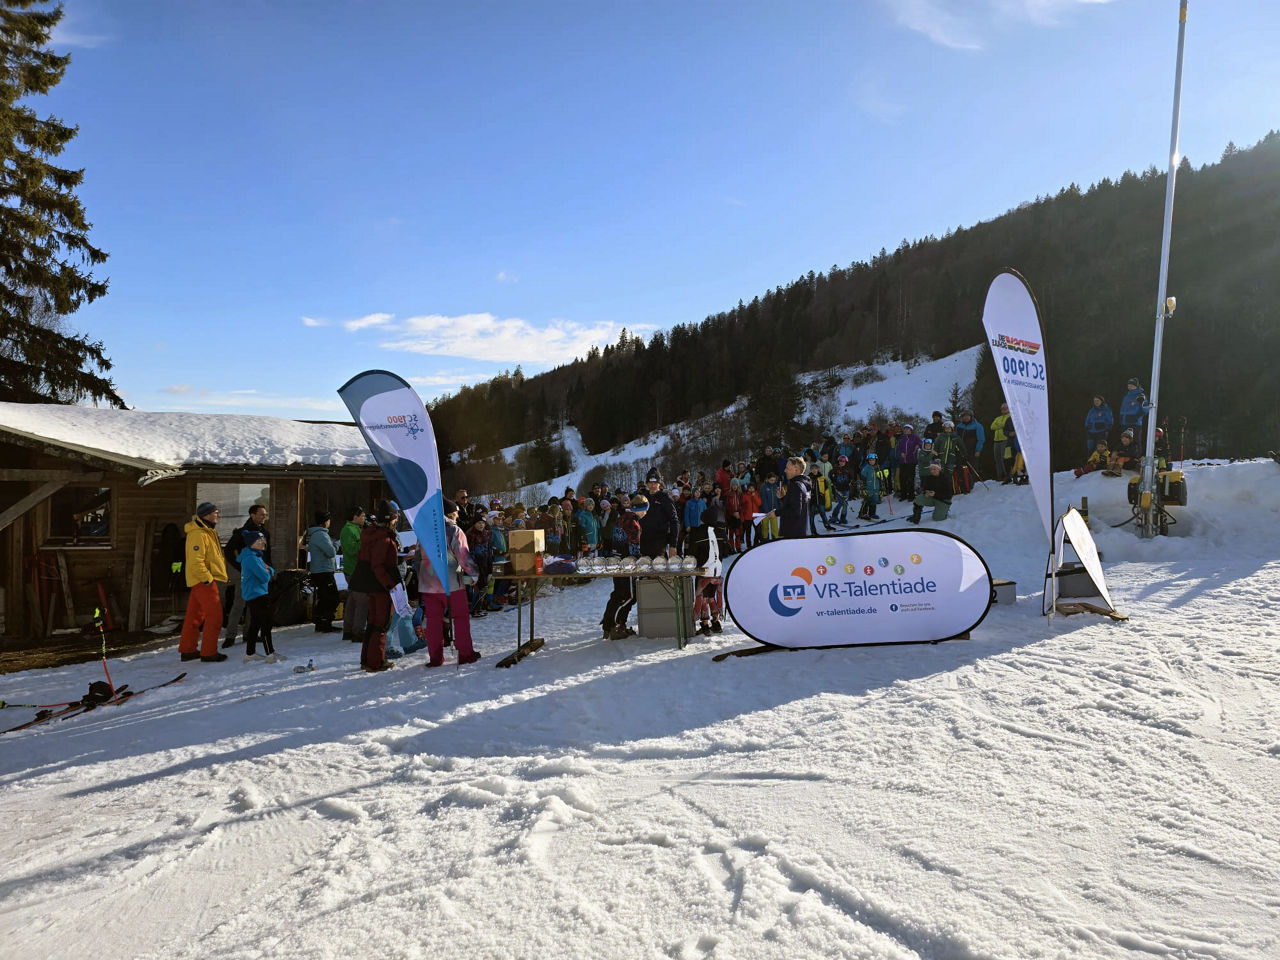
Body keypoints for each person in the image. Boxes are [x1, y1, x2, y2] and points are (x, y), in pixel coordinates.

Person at [418, 497, 481, 668]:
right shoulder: (453, 530)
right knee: (460, 617)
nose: (458, 516)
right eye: (456, 513)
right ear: (450, 514)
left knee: (433, 621)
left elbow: (418, 556)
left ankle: (435, 658)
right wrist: (474, 574)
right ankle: (466, 654)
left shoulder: (424, 530)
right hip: (451, 582)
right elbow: (464, 556)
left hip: (429, 583)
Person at [347, 500, 401, 672]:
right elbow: (378, 565)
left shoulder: (371, 534)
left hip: (369, 585)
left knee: (373, 622)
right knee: (381, 623)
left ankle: (367, 659)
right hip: (381, 586)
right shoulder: (384, 538)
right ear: (391, 519)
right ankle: (376, 661)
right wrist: (390, 585)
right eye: (395, 517)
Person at [178, 501, 229, 663]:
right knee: (215, 616)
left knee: (194, 616)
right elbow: (195, 562)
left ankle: (188, 650)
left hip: (200, 580)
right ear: (206, 515)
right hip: (203, 581)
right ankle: (209, 652)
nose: (218, 515)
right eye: (215, 512)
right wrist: (207, 579)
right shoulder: (198, 534)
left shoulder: (206, 531)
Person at [222, 503, 271, 648]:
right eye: (261, 514)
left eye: (265, 514)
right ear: (252, 515)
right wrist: (239, 566)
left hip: (260, 573)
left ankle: (250, 634)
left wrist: (269, 569)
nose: (264, 517)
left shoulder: (265, 532)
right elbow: (229, 550)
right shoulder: (242, 532)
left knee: (254, 607)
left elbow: (268, 553)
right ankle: (230, 636)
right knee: (239, 604)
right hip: (245, 574)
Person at [599, 494, 644, 640]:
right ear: (641, 509)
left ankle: (611, 624)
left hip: (616, 561)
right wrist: (640, 560)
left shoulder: (621, 517)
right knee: (629, 596)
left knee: (618, 593)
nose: (645, 514)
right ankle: (614, 625)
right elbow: (634, 548)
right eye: (645, 511)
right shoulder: (633, 523)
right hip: (627, 564)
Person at [239, 531, 282, 662]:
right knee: (266, 623)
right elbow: (264, 577)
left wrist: (268, 570)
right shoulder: (252, 558)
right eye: (259, 540)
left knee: (255, 623)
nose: (263, 542)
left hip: (254, 594)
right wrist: (268, 571)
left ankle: (250, 653)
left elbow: (270, 569)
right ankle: (270, 654)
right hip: (257, 595)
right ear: (252, 543)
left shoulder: (254, 556)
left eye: (263, 539)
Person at [690, 514, 727, 636]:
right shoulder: (721, 531)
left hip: (705, 571)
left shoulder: (698, 532)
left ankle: (705, 623)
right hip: (718, 571)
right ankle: (716, 622)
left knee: (703, 597)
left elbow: (692, 552)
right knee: (711, 596)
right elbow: (727, 549)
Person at [306, 510, 339, 632]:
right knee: (332, 597)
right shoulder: (320, 534)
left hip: (320, 570)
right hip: (323, 571)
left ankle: (321, 621)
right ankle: (324, 622)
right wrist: (337, 544)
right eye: (329, 520)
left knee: (325, 597)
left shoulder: (318, 534)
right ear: (325, 521)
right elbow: (330, 552)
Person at [340, 505, 367, 643]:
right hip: (355, 570)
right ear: (355, 517)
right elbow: (352, 550)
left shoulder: (356, 529)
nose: (365, 518)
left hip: (356, 570)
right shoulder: (348, 530)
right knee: (361, 602)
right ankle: (358, 631)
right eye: (362, 516)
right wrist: (365, 541)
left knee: (352, 601)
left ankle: (349, 630)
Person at [768, 457, 811, 538]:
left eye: (787, 468)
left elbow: (795, 510)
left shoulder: (796, 485)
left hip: (793, 533)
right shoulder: (800, 484)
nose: (785, 470)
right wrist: (783, 497)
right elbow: (795, 505)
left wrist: (776, 513)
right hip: (797, 531)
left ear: (796, 469)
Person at [1119, 379, 1147, 449]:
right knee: (1125, 441)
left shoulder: (1141, 395)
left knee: (1136, 441)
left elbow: (1145, 408)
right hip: (1125, 422)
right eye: (1129, 385)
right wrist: (1121, 417)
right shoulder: (1126, 396)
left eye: (1131, 385)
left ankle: (1137, 458)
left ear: (1136, 386)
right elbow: (1122, 409)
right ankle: (1125, 456)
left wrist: (1137, 416)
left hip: (1135, 423)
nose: (1130, 387)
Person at [896, 424, 922, 501]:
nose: (906, 430)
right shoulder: (903, 439)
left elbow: (921, 444)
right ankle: (903, 495)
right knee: (902, 478)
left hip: (911, 461)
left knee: (910, 478)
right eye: (905, 429)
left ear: (911, 430)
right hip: (903, 461)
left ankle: (911, 495)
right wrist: (901, 453)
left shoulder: (915, 438)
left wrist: (918, 445)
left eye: (908, 429)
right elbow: (899, 449)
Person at [990, 403, 1012, 482]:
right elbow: (992, 426)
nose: (1004, 410)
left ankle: (1007, 474)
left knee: (1004, 458)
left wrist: (999, 425)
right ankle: (1000, 474)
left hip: (1005, 439)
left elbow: (1006, 425)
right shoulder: (998, 418)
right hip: (996, 440)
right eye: (1002, 408)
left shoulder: (1010, 417)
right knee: (997, 458)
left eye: (1005, 408)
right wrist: (1001, 425)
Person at [858, 451, 882, 520]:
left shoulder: (878, 468)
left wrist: (881, 488)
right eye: (870, 460)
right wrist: (864, 487)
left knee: (874, 500)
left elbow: (880, 478)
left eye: (873, 460)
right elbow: (863, 478)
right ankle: (862, 513)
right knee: (867, 500)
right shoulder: (866, 468)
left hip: (876, 488)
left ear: (876, 460)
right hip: (868, 488)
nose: (871, 461)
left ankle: (872, 513)